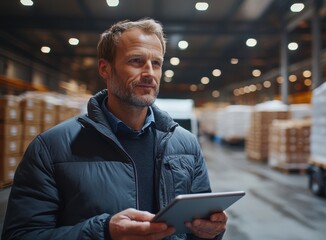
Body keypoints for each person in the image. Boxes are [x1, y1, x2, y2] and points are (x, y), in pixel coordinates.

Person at [2, 18, 227, 240]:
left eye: (156, 63)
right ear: (105, 68)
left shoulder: (186, 144)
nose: (149, 72)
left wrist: (211, 232)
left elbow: (199, 226)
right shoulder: (50, 148)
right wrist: (104, 232)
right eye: (137, 61)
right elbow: (21, 234)